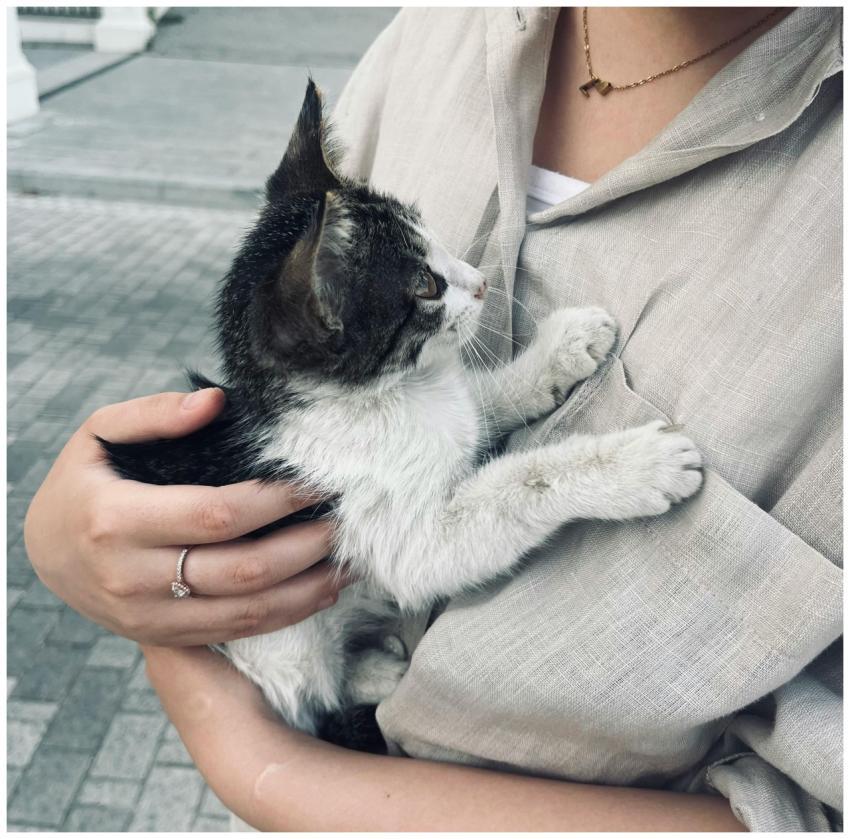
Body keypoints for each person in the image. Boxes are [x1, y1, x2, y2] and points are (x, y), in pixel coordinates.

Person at [25, 7, 841, 831]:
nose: (471, 285)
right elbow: (430, 542)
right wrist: (64, 544)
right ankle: (345, 677)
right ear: (329, 336)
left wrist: (258, 765)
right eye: (431, 287)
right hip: (301, 668)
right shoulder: (430, 38)